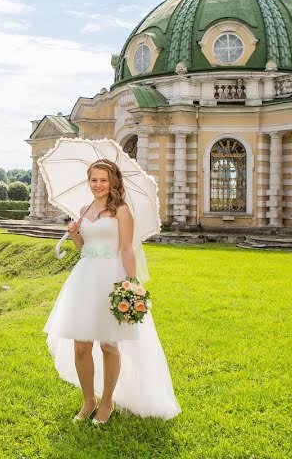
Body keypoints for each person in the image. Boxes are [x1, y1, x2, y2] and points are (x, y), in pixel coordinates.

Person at [43, 158, 181, 424]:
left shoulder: (121, 211)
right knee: (81, 344)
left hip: (111, 277)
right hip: (85, 278)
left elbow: (127, 250)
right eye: (94, 179)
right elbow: (84, 248)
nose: (98, 185)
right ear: (89, 181)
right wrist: (74, 234)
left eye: (103, 180)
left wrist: (131, 285)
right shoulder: (83, 210)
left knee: (109, 344)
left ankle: (107, 402)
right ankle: (88, 400)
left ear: (112, 182)